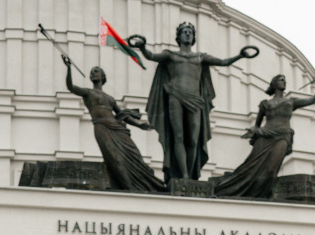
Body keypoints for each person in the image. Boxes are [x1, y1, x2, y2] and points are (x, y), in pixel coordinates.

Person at [128, 23, 258, 181]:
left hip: (195, 100)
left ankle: (190, 174)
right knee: (178, 136)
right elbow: (151, 56)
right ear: (179, 37)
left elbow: (223, 62)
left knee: (194, 140)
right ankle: (183, 176)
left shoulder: (200, 57)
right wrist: (141, 47)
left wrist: (241, 56)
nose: (188, 35)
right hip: (175, 96)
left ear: (194, 37)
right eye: (184, 32)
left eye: (190, 32)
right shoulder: (171, 55)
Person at [212, 72, 315, 200]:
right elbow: (257, 125)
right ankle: (230, 190)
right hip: (265, 136)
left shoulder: (291, 102)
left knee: (270, 170)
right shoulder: (265, 104)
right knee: (250, 166)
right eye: (281, 80)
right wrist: (253, 131)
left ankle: (260, 194)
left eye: (285, 80)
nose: (284, 82)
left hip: (282, 136)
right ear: (274, 84)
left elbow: (313, 99)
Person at [61, 57, 166, 192]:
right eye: (92, 71)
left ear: (103, 77)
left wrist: (139, 125)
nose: (93, 72)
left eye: (96, 71)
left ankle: (147, 186)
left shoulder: (110, 98)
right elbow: (71, 87)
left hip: (117, 128)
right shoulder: (88, 92)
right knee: (115, 159)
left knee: (134, 155)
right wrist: (69, 68)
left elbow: (123, 115)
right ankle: (129, 187)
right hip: (102, 127)